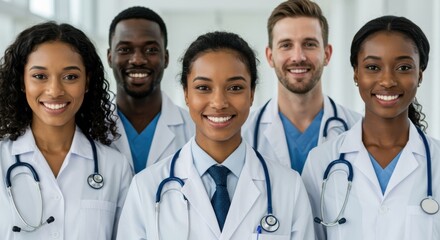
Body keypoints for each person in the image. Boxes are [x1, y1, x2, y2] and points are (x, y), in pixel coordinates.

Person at [116, 31, 315, 239]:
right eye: (203, 87)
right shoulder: (146, 187)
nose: (219, 103)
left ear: (252, 93)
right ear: (186, 93)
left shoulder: (288, 187)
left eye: (235, 88)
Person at [302, 15, 440, 239]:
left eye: (404, 67)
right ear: (356, 73)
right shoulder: (321, 162)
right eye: (373, 67)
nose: (387, 81)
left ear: (420, 74)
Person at [0, 22, 132, 239]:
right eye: (40, 76)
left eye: (70, 77)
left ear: (87, 82)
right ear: (22, 81)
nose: (55, 91)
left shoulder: (114, 167)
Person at [243, 0, 361, 174]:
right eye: (286, 45)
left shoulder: (357, 129)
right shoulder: (245, 134)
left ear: (327, 54)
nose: (298, 56)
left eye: (309, 44)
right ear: (270, 56)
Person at [107, 6, 194, 174]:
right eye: (125, 49)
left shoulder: (194, 131)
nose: (138, 60)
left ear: (166, 58)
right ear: (110, 57)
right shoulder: (88, 130)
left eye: (151, 50)